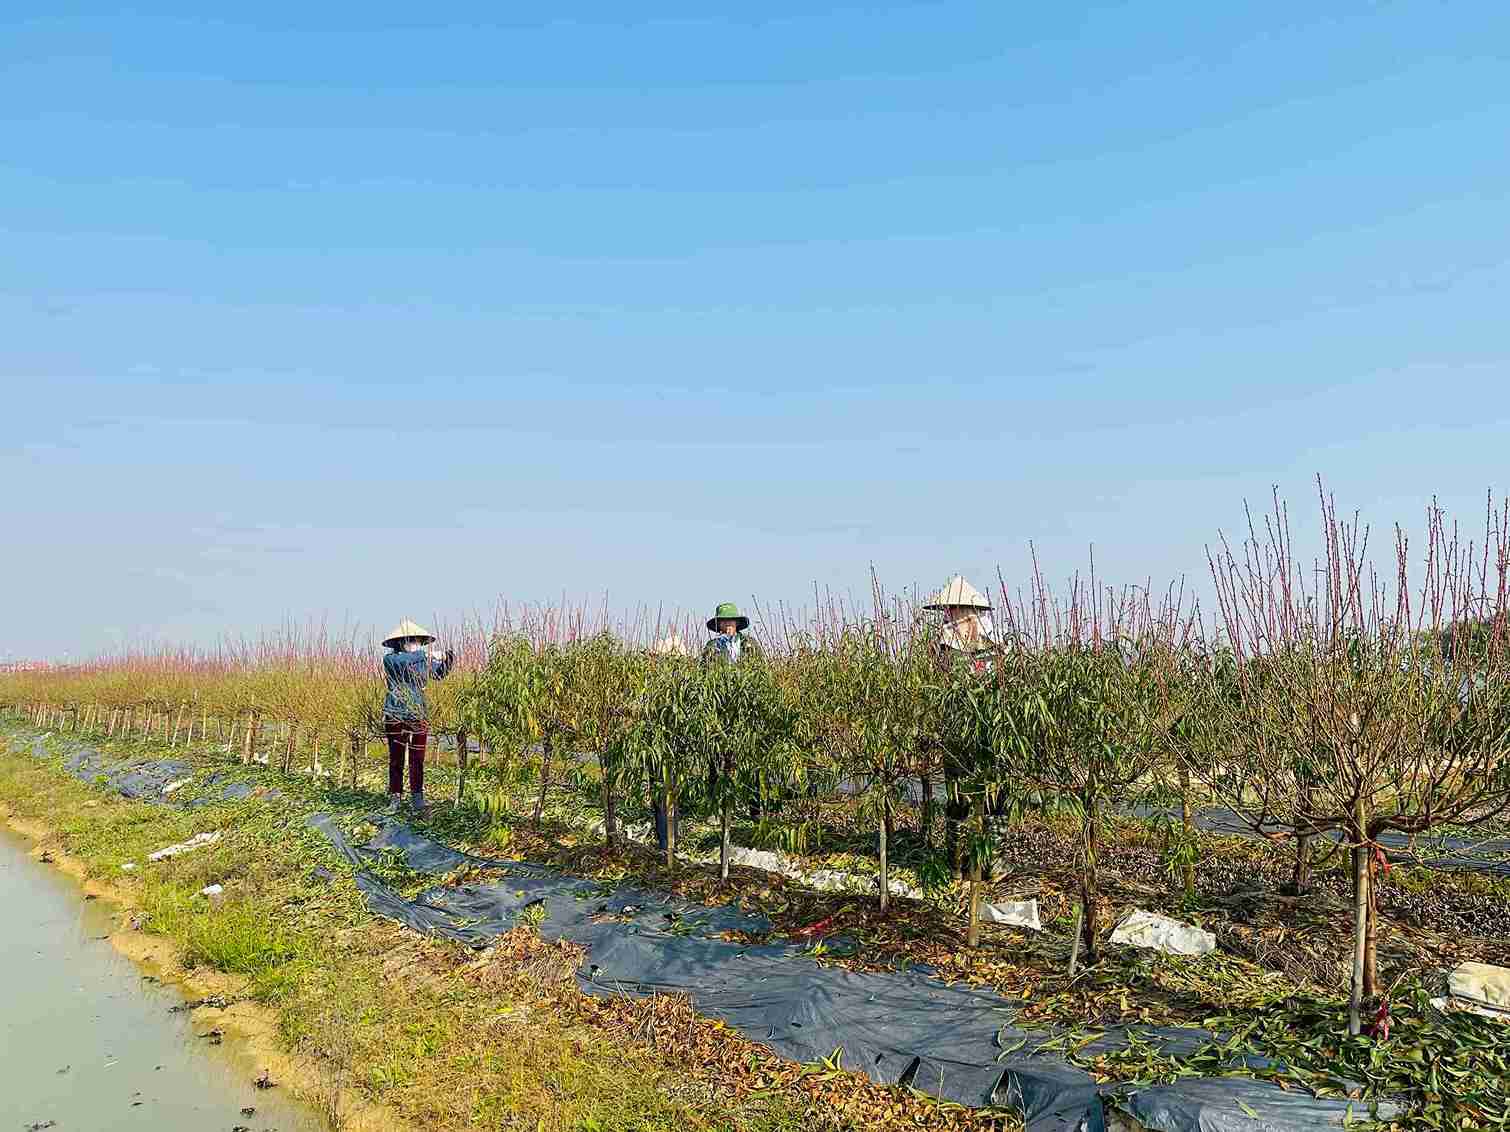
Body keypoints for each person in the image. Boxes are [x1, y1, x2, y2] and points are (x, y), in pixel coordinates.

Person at [922, 576, 999, 875]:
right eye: (948, 610)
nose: (949, 615)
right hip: (956, 735)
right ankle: (954, 862)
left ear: (970, 611)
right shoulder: (944, 646)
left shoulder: (992, 644)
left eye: (955, 610)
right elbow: (939, 688)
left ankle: (987, 861)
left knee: (994, 797)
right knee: (957, 799)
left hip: (987, 735)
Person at [381, 619, 454, 817]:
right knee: (396, 757)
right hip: (395, 712)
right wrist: (426, 654)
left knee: (417, 757)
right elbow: (403, 662)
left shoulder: (421, 660)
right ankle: (395, 797)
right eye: (412, 640)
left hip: (418, 713)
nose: (416, 644)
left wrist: (448, 660)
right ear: (401, 642)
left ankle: (417, 797)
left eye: (420, 641)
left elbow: (438, 675)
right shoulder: (391, 659)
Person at [700, 602, 763, 666]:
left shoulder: (749, 643)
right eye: (723, 620)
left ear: (737, 622)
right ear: (718, 624)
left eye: (731, 619)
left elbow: (760, 665)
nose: (727, 623)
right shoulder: (712, 645)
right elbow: (704, 668)